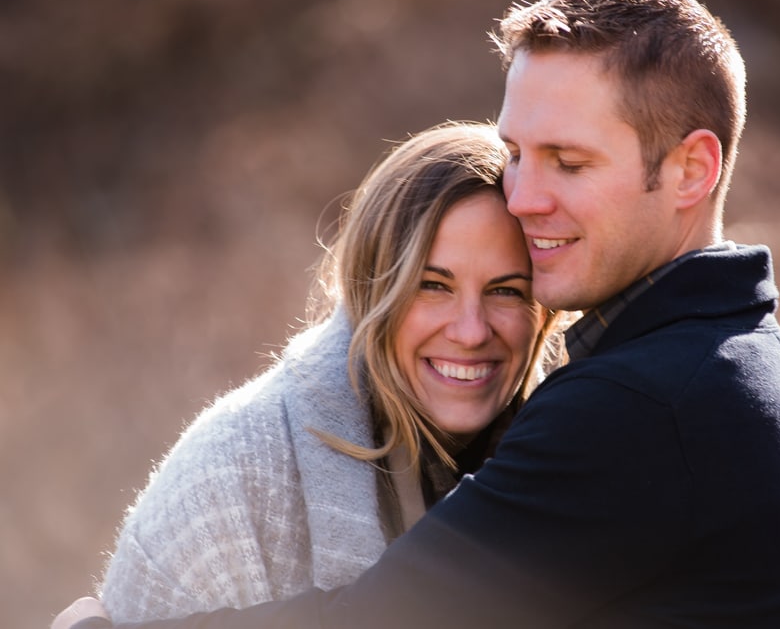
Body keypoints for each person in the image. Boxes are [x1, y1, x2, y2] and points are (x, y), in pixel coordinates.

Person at [59, 0, 780, 629]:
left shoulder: (645, 405)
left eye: (568, 161)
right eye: (516, 154)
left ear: (691, 170)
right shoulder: (728, 355)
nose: (523, 197)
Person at [51, 121, 563, 627]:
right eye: (432, 285)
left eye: (506, 290)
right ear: (370, 291)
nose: (471, 331)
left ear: (544, 309)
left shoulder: (568, 469)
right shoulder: (232, 472)